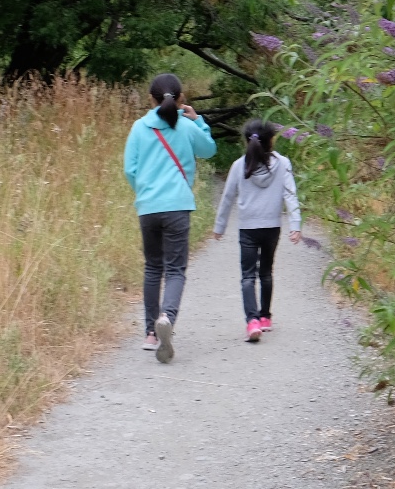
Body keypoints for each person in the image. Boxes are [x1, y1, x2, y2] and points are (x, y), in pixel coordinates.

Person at [123, 73, 215, 363]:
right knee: (175, 269)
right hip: (177, 206)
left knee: (153, 268)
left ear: (151, 99)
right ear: (181, 99)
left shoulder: (139, 128)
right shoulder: (187, 127)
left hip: (148, 206)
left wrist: (145, 192)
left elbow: (130, 169)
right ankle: (167, 317)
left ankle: (151, 333)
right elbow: (209, 150)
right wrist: (198, 120)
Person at [212, 118, 302, 343]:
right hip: (272, 227)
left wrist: (220, 226)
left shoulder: (238, 166)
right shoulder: (283, 163)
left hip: (248, 228)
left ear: (246, 141)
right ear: (271, 140)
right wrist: (295, 225)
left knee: (247, 276)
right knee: (267, 272)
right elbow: (290, 195)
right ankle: (265, 318)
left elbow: (227, 198)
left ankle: (251, 321)